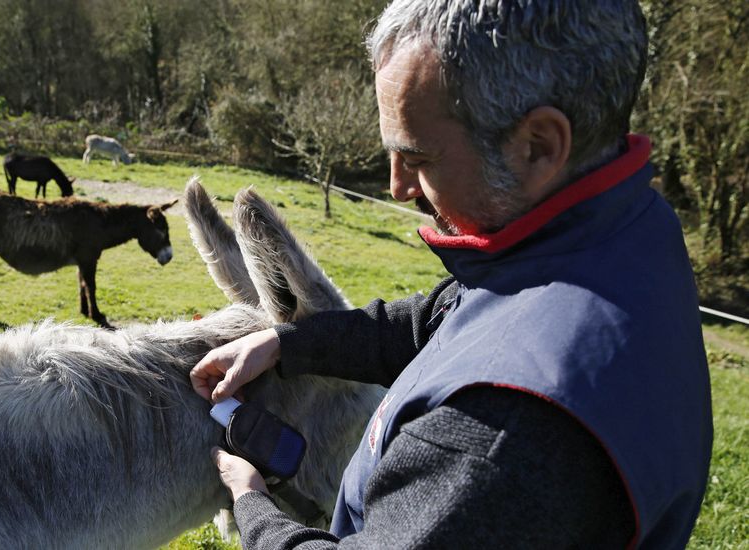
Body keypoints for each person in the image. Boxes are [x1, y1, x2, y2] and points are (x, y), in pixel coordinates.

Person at [190, 1, 713, 548]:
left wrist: (255, 504)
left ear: (538, 146)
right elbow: (449, 320)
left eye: (417, 159)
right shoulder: (617, 232)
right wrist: (285, 343)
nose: (397, 187)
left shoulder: (496, 443)